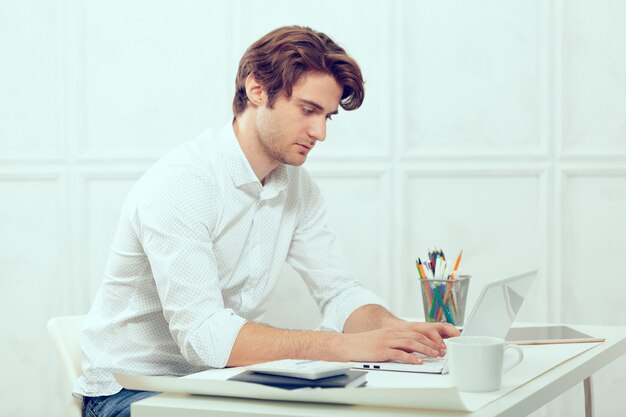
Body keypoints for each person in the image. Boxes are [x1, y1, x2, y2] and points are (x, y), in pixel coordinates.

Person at [76, 25, 460, 417]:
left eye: (328, 117)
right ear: (257, 89)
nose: (320, 132)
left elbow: (339, 292)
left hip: (219, 385)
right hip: (132, 393)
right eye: (308, 110)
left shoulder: (297, 187)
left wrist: (400, 334)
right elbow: (203, 337)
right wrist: (348, 347)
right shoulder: (182, 183)